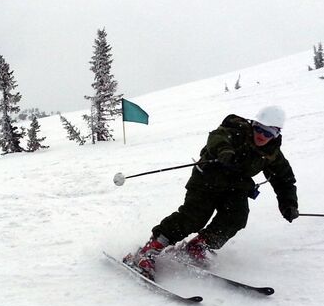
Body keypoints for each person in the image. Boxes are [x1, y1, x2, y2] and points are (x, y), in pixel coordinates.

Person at [123, 105, 299, 280]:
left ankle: (198, 246)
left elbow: (284, 180)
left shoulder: (272, 154)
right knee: (194, 217)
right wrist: (224, 150)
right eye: (259, 129)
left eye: (268, 133)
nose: (261, 135)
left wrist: (288, 204)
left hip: (235, 187)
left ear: (276, 134)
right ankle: (149, 249)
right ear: (253, 124)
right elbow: (217, 137)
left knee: (236, 218)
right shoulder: (237, 129)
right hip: (207, 179)